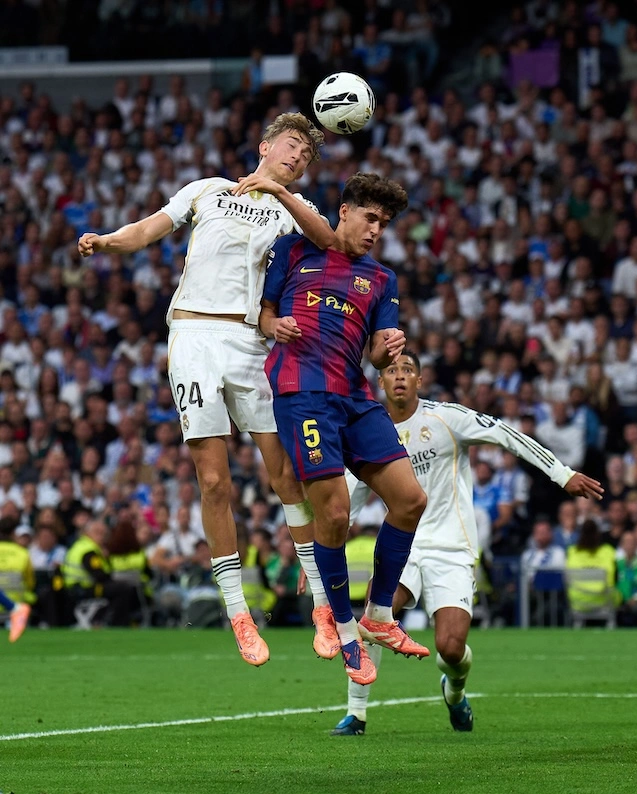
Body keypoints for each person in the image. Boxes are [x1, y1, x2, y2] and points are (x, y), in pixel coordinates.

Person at [77, 113, 337, 666]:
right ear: (265, 145)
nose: (297, 157)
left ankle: (322, 602)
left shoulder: (296, 211)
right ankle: (239, 612)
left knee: (285, 473)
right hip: (194, 336)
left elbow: (332, 243)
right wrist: (107, 241)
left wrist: (279, 193)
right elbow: (148, 228)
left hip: (251, 344)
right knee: (214, 481)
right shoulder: (208, 190)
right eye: (291, 146)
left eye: (306, 156)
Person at [331, 352, 604, 734]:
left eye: (408, 370)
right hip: (401, 545)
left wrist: (561, 473)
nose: (399, 377)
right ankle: (355, 713)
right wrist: (314, 556)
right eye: (391, 370)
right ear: (381, 382)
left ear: (420, 381)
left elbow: (506, 435)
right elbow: (349, 499)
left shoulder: (446, 417)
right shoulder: (371, 434)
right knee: (374, 617)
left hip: (451, 548)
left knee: (451, 649)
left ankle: (455, 691)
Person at [260, 172, 428, 687]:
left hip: (354, 395)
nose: (376, 230)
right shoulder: (293, 250)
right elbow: (263, 314)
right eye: (370, 218)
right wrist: (274, 327)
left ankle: (379, 614)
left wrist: (387, 349)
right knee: (334, 511)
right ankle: (347, 632)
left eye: (385, 223)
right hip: (302, 391)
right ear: (345, 211)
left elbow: (375, 353)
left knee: (410, 500)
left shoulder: (381, 279)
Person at [0, 518, 33, 641]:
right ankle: (14, 607)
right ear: (14, 534)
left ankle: (14, 607)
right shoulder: (22, 553)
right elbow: (30, 582)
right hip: (17, 597)